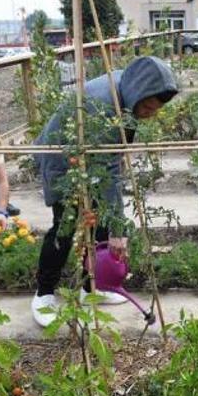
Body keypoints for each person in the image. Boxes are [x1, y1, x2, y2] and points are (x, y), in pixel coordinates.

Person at [31, 56, 178, 327]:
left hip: (89, 158)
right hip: (63, 161)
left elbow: (110, 161)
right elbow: (109, 173)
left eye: (155, 109)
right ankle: (44, 294)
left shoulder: (129, 87)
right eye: (147, 107)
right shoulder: (105, 106)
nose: (150, 113)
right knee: (64, 227)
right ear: (137, 94)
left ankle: (90, 289)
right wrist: (119, 233)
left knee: (98, 225)